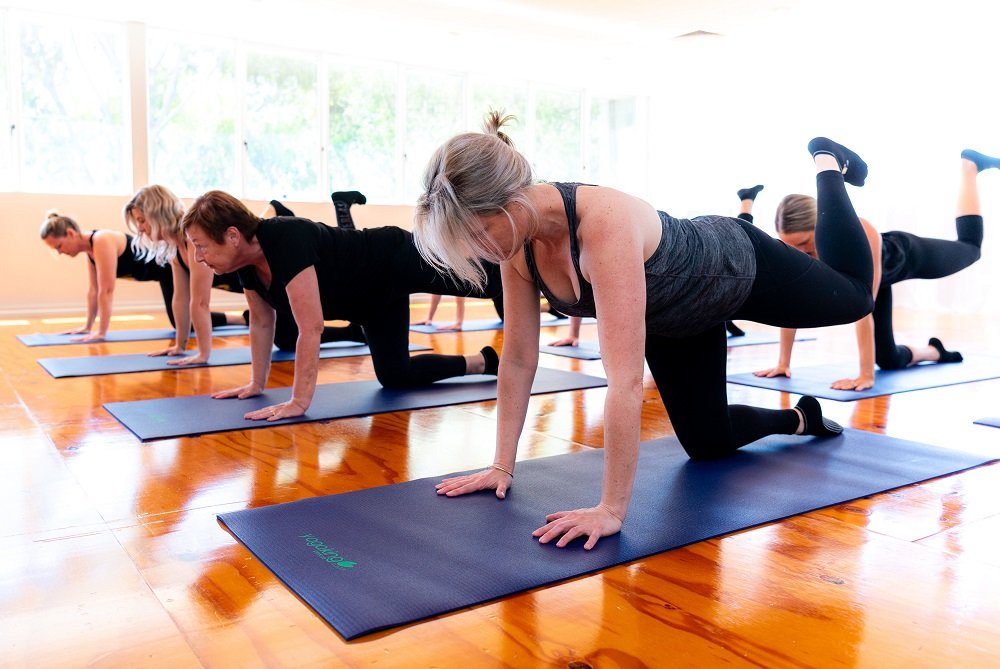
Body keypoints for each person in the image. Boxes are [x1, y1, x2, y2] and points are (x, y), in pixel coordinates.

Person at [413, 112, 877, 551]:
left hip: (735, 267)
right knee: (707, 443)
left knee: (856, 298)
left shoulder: (603, 222)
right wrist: (500, 466)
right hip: (675, 320)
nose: (477, 249)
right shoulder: (515, 247)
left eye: (478, 232)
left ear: (510, 202)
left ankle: (827, 164)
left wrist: (611, 509)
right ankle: (800, 419)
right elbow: (516, 359)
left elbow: (625, 382)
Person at [179, 190, 504, 421]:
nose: (197, 257)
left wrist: (299, 401)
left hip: (392, 259)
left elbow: (311, 327)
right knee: (395, 376)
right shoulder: (245, 266)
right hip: (372, 303)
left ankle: (527, 260)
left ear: (233, 236)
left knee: (489, 281)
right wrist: (256, 383)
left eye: (201, 246)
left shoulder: (285, 238)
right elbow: (262, 323)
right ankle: (483, 362)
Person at [753, 149, 993, 390]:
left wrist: (866, 375)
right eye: (792, 247)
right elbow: (792, 304)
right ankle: (934, 351)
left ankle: (970, 167)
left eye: (805, 244)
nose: (800, 253)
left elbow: (863, 306)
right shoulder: (800, 253)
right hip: (875, 285)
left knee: (970, 249)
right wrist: (783, 363)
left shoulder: (862, 232)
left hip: (904, 257)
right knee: (888, 360)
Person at [124, 185, 253, 364]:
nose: (140, 228)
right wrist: (180, 345)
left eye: (142, 220)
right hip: (249, 288)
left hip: (267, 283)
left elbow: (200, 302)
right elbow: (180, 299)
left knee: (285, 339)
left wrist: (203, 355)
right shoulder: (176, 248)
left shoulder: (193, 239)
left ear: (158, 215)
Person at [40, 211, 175, 341]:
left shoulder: (102, 239)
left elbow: (106, 291)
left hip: (174, 270)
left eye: (59, 246)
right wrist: (87, 327)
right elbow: (94, 290)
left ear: (70, 233)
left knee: (189, 327)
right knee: (180, 324)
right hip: (165, 277)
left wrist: (101, 332)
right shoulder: (90, 250)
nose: (59, 252)